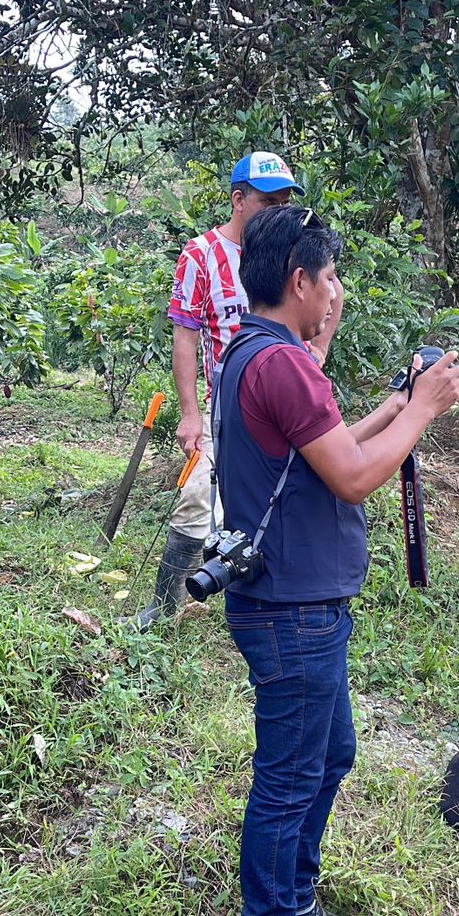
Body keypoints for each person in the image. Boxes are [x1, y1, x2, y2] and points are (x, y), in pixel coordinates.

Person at [213, 205, 459, 916]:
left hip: (296, 603)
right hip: (292, 609)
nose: (336, 293)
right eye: (330, 279)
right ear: (299, 281)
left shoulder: (254, 351)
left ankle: (294, 899)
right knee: (290, 777)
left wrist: (395, 408)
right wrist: (424, 408)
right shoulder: (281, 363)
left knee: (329, 757)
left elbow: (327, 454)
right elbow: (354, 478)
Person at [132, 152, 342, 630]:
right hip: (225, 406)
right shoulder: (201, 255)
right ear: (238, 199)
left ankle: (263, 601)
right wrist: (190, 413)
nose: (279, 210)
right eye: (269, 201)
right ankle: (167, 605)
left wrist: (319, 349)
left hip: (284, 403)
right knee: (196, 497)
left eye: (285, 202)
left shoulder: (292, 248)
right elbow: (186, 336)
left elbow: (334, 289)